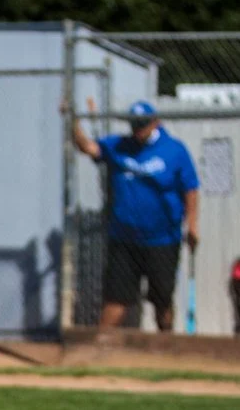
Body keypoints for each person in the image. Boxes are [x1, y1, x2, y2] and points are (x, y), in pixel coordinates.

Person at [70, 98, 200, 331]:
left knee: (162, 302)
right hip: (124, 240)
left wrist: (193, 224)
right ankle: (99, 351)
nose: (138, 129)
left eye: (143, 124)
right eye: (134, 124)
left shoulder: (175, 150)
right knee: (116, 300)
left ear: (155, 123)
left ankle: (166, 347)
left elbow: (190, 188)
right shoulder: (119, 146)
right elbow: (87, 147)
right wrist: (72, 121)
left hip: (162, 240)